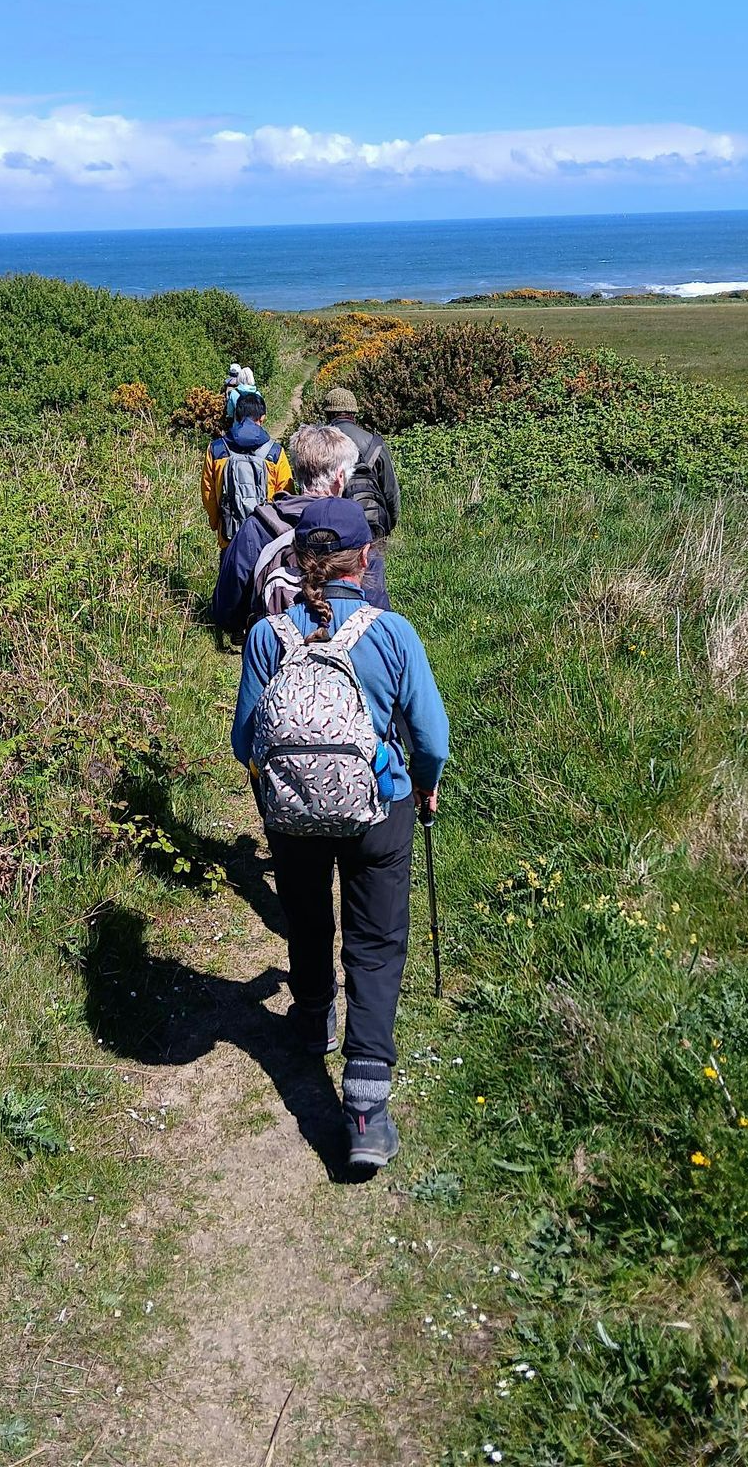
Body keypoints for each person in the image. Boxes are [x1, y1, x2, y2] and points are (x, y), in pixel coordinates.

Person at [231, 498, 449, 1167]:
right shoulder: (392, 633)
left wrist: (281, 781)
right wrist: (424, 782)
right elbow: (432, 737)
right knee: (376, 942)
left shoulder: (268, 637)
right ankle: (364, 1108)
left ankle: (313, 1018)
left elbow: (245, 739)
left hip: (292, 814)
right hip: (380, 808)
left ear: (295, 562)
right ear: (367, 558)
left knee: (304, 912)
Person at [211, 423, 391, 635]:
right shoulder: (357, 534)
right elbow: (377, 608)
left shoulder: (258, 525)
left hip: (276, 651)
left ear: (297, 473)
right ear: (340, 477)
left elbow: (226, 607)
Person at [201, 391, 293, 550]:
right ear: (262, 418)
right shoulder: (275, 453)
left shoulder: (216, 450)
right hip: (266, 539)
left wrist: (217, 523)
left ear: (236, 416)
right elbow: (286, 494)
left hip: (229, 537)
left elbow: (208, 493)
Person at [322, 386, 401, 538]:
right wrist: (389, 524)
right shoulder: (375, 443)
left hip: (332, 528)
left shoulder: (318, 443)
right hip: (370, 522)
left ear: (328, 414)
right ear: (354, 414)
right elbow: (391, 491)